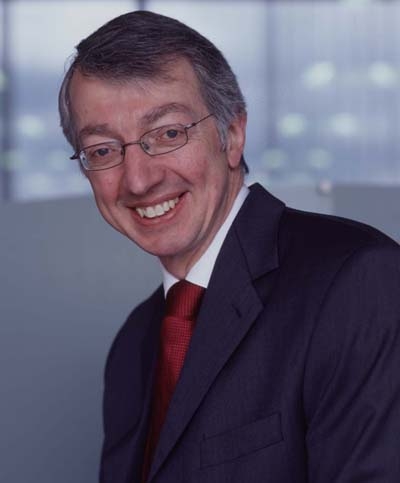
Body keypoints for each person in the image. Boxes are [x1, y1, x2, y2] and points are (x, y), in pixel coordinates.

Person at [59, 10, 400, 483]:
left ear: (233, 135)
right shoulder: (133, 344)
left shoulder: (356, 282)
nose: (138, 180)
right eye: (102, 150)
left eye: (168, 133)